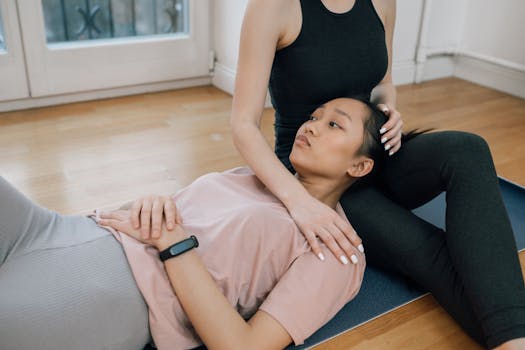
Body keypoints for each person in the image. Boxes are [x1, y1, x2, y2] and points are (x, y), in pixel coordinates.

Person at [223, 0, 525, 348]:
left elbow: (384, 81)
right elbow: (243, 125)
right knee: (429, 250)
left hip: (371, 152)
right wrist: (299, 202)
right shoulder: (273, 7)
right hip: (321, 174)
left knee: (467, 149)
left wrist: (388, 109)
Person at [0, 97, 398, 350]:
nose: (309, 125)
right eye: (313, 115)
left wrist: (174, 243)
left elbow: (241, 347)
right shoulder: (254, 174)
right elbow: (172, 215)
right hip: (62, 229)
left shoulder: (337, 251)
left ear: (359, 165)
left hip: (112, 293)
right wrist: (151, 203)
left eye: (334, 124)